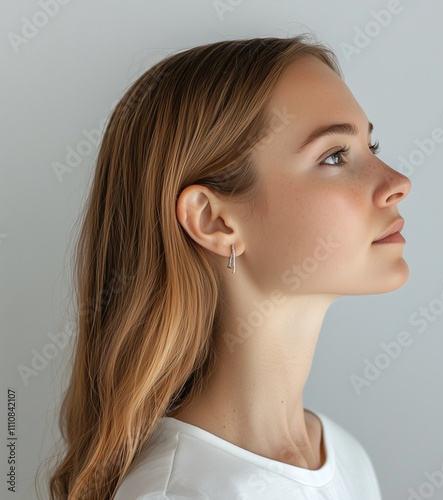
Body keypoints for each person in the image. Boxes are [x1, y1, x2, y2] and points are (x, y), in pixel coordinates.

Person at [43, 34, 411, 499]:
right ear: (214, 220)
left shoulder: (344, 456)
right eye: (335, 156)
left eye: (371, 146)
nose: (398, 182)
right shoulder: (176, 492)